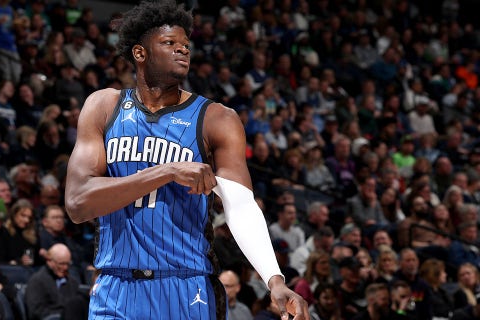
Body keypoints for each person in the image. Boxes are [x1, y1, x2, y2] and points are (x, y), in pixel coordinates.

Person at [64, 1, 308, 319]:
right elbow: (78, 203)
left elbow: (241, 206)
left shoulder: (216, 118)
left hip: (184, 286)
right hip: (116, 287)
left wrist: (274, 280)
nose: (182, 51)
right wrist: (166, 171)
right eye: (169, 43)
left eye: (186, 45)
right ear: (140, 53)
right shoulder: (103, 106)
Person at [25, 243, 87, 320]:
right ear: (49, 261)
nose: (65, 267)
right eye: (61, 264)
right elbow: (36, 312)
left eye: (68, 264)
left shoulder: (72, 282)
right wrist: (64, 313)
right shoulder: (37, 281)